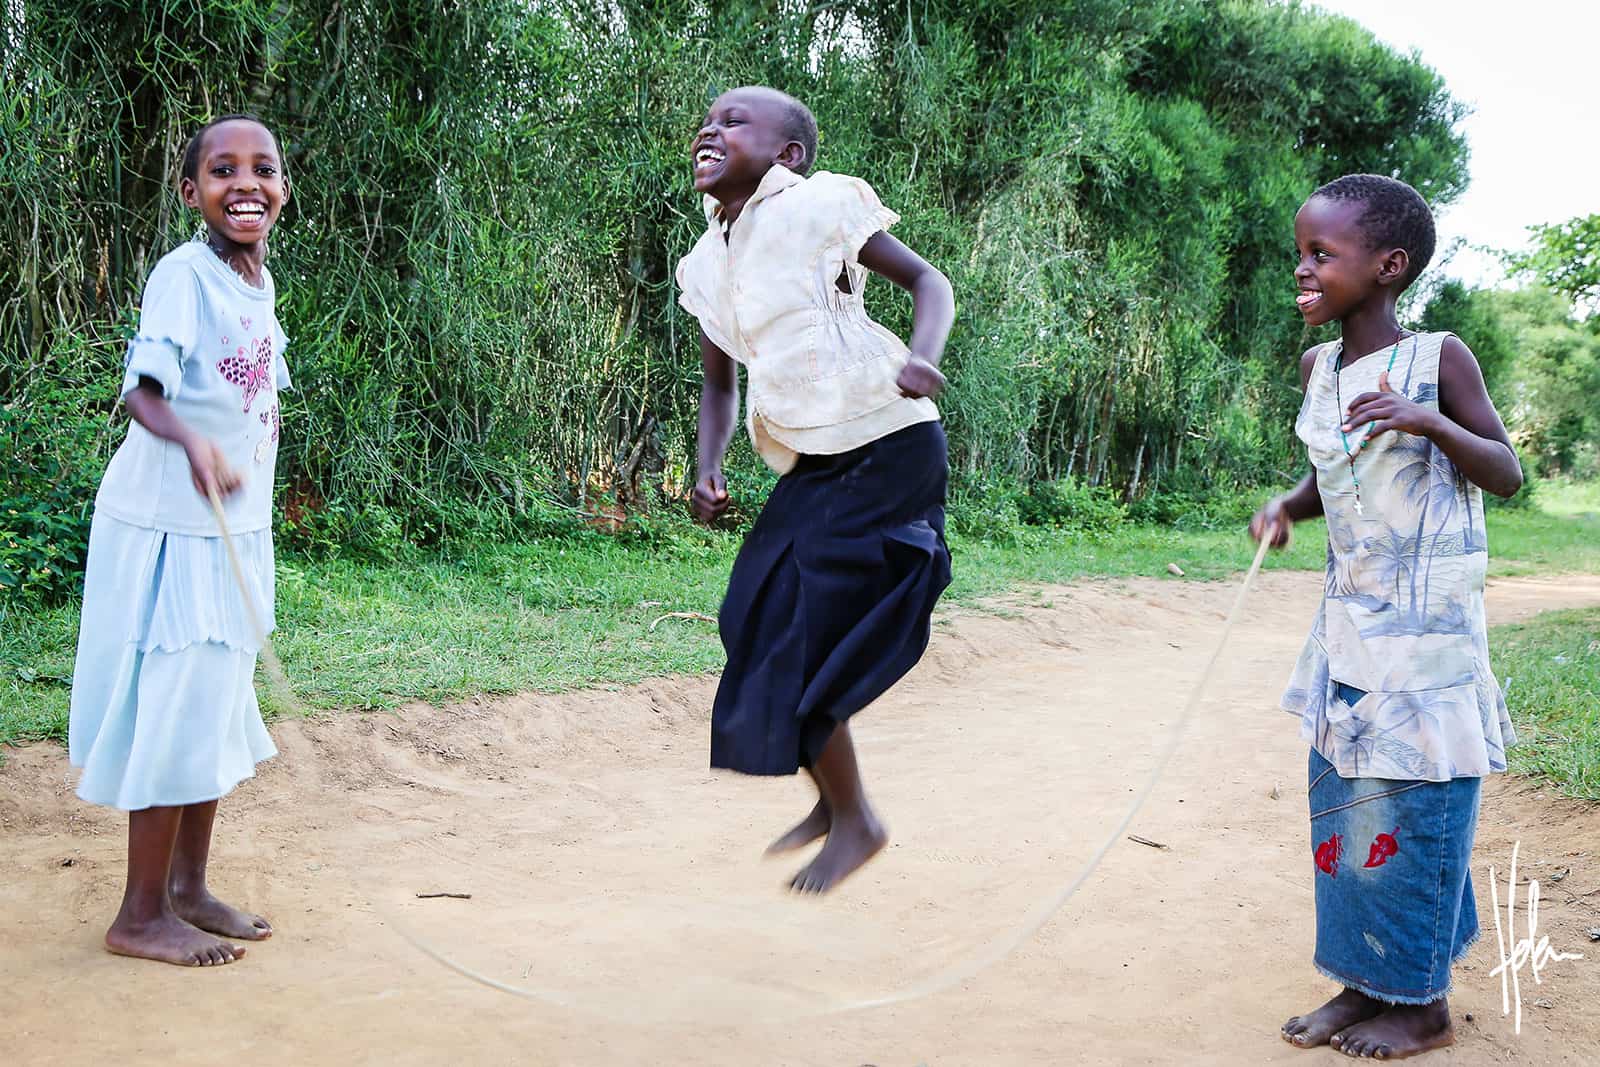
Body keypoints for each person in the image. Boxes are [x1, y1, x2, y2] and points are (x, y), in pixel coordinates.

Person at [1251, 174, 1523, 1058]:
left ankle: (1421, 1003)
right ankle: (1363, 980)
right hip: (1350, 632)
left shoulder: (1439, 359)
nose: (1302, 265)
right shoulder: (1318, 368)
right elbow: (1336, 472)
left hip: (1428, 644)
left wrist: (1429, 422)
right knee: (1349, 811)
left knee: (1416, 810)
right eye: (1302, 249)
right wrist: (1290, 506)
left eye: (1321, 253)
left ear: (1387, 266)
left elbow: (1507, 472)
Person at [676, 86, 955, 893]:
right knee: (752, 617)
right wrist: (709, 463)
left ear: (787, 156)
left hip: (887, 439)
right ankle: (839, 802)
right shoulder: (705, 260)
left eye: (735, 121)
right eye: (709, 119)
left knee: (809, 633)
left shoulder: (818, 204)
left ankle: (857, 816)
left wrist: (925, 354)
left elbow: (928, 282)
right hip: (813, 461)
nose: (712, 127)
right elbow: (720, 385)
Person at [69, 114, 293, 966]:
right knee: (172, 708)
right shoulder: (183, 276)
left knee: (208, 705)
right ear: (190, 190)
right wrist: (191, 441)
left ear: (282, 188)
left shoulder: (257, 283)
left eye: (262, 169)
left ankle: (188, 889)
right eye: (223, 170)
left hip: (231, 535)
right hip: (171, 535)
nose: (246, 183)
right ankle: (137, 914)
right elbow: (143, 392)